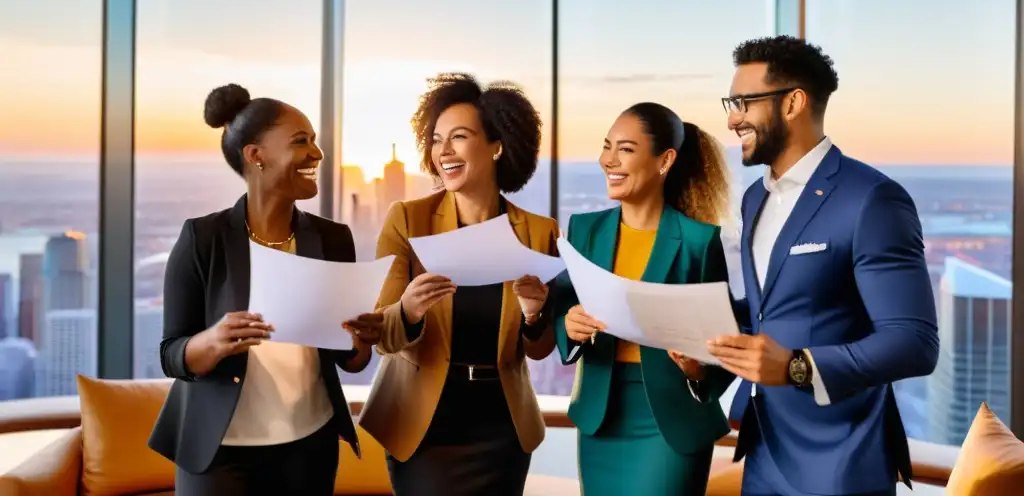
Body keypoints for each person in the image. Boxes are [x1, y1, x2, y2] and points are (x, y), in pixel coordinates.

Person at [709, 36, 939, 496]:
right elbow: (772, 307)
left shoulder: (871, 199)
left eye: (743, 102)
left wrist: (797, 366)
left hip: (841, 459)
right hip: (764, 449)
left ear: (793, 102)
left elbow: (914, 343)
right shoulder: (756, 197)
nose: (732, 119)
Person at [148, 84, 383, 495]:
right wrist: (213, 341)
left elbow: (351, 359)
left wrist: (363, 340)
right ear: (256, 155)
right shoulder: (203, 238)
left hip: (309, 448)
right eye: (301, 141)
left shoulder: (333, 240)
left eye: (315, 141)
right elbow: (171, 354)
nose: (317, 153)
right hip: (219, 453)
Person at [358, 73, 558, 496]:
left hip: (502, 429)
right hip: (424, 425)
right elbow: (382, 336)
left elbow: (539, 349)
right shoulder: (408, 220)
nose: (442, 151)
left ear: (497, 145)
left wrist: (535, 315)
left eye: (459, 137)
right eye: (435, 139)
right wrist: (408, 311)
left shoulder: (540, 233)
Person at [552, 102, 736, 494]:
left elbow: (726, 346)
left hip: (670, 423)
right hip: (601, 417)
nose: (609, 160)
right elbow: (562, 312)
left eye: (626, 149)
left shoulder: (698, 242)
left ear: (664, 160)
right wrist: (569, 325)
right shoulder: (584, 230)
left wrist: (697, 368)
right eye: (607, 146)